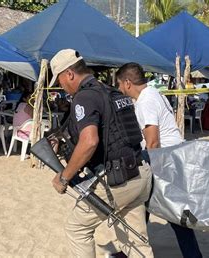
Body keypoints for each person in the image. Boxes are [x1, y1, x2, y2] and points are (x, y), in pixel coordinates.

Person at [48, 49, 153, 258]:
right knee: (134, 240)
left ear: (69, 74)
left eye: (60, 80)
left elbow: (89, 141)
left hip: (117, 180)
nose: (62, 87)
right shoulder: (111, 92)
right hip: (140, 173)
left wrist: (64, 177)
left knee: (77, 229)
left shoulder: (84, 97)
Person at [116, 62, 203, 258]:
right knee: (145, 209)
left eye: (120, 85)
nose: (119, 89)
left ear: (128, 83)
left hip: (165, 162)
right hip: (172, 158)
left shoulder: (146, 101)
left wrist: (146, 171)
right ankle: (127, 252)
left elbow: (153, 142)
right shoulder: (154, 93)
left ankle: (193, 255)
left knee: (170, 214)